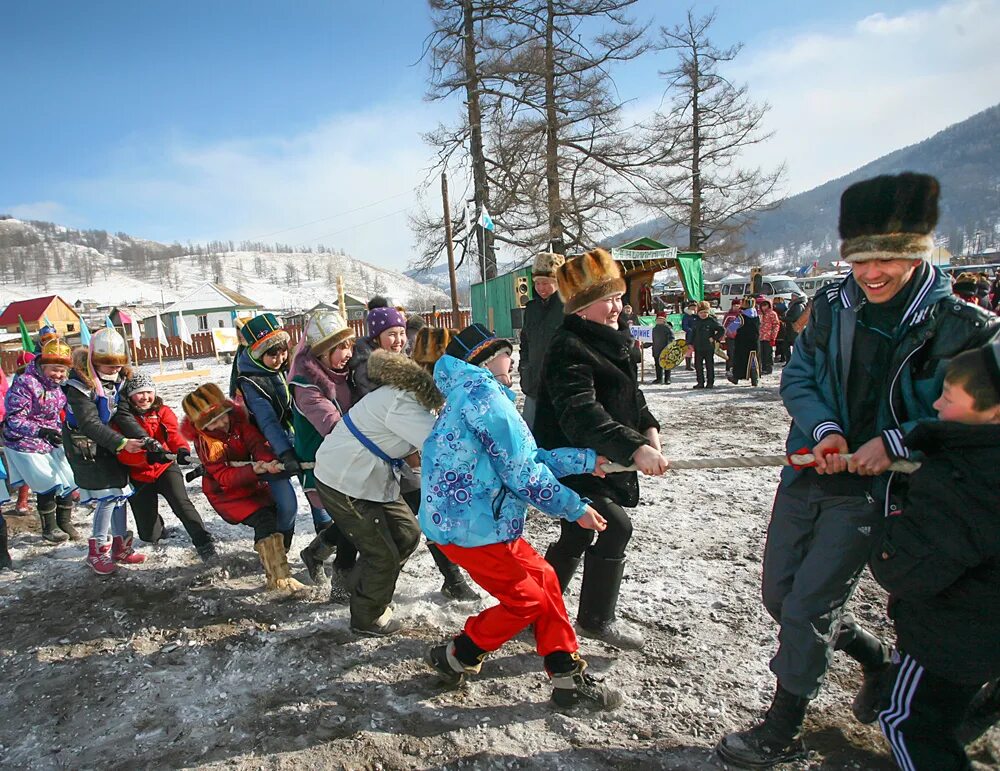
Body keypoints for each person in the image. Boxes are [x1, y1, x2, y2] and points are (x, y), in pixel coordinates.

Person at [717, 172, 1000, 769]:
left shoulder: (964, 329)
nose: (871, 273)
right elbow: (797, 377)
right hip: (809, 476)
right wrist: (827, 431)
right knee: (780, 596)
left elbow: (975, 423)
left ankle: (783, 724)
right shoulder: (831, 305)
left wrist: (894, 443)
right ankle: (875, 660)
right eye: (860, 259)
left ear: (918, 254)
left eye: (889, 259)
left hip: (880, 495)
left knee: (806, 608)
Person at [421, 323, 623, 711]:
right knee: (525, 600)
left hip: (482, 521)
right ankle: (457, 653)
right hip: (468, 527)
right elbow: (522, 474)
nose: (511, 358)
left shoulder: (476, 396)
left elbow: (525, 460)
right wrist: (575, 508)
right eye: (503, 352)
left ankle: (566, 675)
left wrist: (584, 460)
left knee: (544, 579)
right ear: (482, 359)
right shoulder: (485, 399)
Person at [870, 343, 1000, 771]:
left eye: (948, 397)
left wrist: (884, 520)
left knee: (907, 720)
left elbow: (907, 571)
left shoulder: (962, 480)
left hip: (952, 637)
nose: (936, 404)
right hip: (980, 635)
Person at [534, 248, 667, 650]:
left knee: (577, 534)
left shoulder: (616, 341)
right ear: (581, 308)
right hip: (575, 460)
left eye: (618, 296)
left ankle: (533, 612)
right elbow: (581, 415)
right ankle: (595, 619)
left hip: (608, 457)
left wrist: (649, 431)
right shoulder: (567, 347)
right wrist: (634, 448)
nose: (617, 306)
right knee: (613, 527)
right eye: (608, 299)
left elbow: (632, 397)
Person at [312, 344, 443, 635]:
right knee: (381, 554)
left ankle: (369, 590)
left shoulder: (410, 396)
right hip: (345, 481)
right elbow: (442, 445)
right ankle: (366, 616)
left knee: (407, 534)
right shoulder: (404, 403)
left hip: (372, 478)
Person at [181, 383, 307, 596]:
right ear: (202, 427)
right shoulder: (207, 444)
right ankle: (279, 580)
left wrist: (267, 460)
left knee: (280, 514)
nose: (222, 423)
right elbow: (223, 476)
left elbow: (257, 444)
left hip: (253, 485)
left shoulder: (240, 425)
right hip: (228, 495)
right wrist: (253, 471)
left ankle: (278, 556)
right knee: (264, 521)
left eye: (223, 416)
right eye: (213, 422)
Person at [63, 328, 149, 576]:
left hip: (108, 442)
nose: (113, 369)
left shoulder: (118, 381)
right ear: (93, 361)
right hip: (85, 447)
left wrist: (143, 437)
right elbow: (89, 423)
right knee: (107, 496)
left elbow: (121, 413)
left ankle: (120, 545)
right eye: (107, 364)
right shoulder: (79, 385)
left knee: (120, 492)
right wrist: (121, 443)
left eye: (118, 364)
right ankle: (98, 548)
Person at [289, 311, 359, 592]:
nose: (348, 354)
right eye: (340, 348)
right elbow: (334, 428)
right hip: (322, 466)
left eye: (350, 346)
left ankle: (315, 553)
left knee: (352, 519)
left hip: (351, 459)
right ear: (321, 352)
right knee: (353, 521)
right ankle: (342, 585)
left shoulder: (346, 375)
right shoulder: (307, 386)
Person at [115, 372, 216, 562]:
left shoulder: (162, 411)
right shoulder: (121, 419)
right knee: (149, 536)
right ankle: (157, 528)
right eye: (139, 393)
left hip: (165, 467)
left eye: (148, 392)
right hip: (139, 473)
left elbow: (173, 433)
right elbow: (122, 453)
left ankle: (203, 541)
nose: (145, 397)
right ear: (129, 396)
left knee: (181, 503)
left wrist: (182, 450)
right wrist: (146, 458)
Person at [232, 313, 306, 539]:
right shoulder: (251, 382)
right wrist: (284, 452)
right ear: (257, 354)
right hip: (267, 448)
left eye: (283, 350)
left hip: (294, 438)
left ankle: (321, 549)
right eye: (272, 354)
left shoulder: (284, 370)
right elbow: (268, 422)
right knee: (288, 505)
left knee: (320, 499)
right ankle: (279, 548)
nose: (280, 357)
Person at [2, 339, 79, 543]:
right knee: (47, 480)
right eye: (54, 370)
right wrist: (40, 431)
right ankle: (50, 527)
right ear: (43, 366)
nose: (59, 375)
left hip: (51, 437)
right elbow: (14, 418)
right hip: (24, 440)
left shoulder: (57, 387)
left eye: (62, 371)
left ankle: (65, 521)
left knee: (68, 476)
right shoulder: (26, 383)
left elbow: (59, 412)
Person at [519, 252, 565, 429]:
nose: (540, 288)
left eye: (545, 283)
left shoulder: (568, 308)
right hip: (533, 383)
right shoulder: (531, 309)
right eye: (537, 283)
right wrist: (525, 368)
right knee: (530, 432)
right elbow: (525, 343)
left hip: (559, 385)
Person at [351, 306, 407, 397]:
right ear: (376, 339)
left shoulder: (400, 358)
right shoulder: (369, 369)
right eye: (392, 334)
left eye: (402, 333)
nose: (398, 340)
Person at [689, 301, 725, 389]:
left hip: (709, 347)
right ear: (698, 313)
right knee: (698, 366)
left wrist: (715, 338)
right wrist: (690, 343)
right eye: (701, 313)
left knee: (709, 365)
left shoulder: (712, 321)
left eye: (705, 312)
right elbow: (692, 333)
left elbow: (722, 330)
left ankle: (710, 382)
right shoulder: (696, 321)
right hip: (698, 347)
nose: (703, 314)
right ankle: (700, 382)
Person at [726, 297, 761, 385]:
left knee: (740, 359)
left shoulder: (741, 317)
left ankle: (736, 377)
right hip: (754, 341)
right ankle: (755, 378)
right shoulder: (757, 316)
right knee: (753, 359)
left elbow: (731, 328)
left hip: (743, 342)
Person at [758, 298, 780, 375]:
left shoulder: (772, 314)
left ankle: (768, 368)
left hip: (768, 337)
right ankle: (762, 367)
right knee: (761, 353)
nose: (764, 307)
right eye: (762, 305)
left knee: (768, 353)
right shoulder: (759, 314)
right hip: (760, 337)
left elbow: (776, 325)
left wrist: (773, 337)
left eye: (766, 305)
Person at [651, 311, 674, 385]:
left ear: (664, 320)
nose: (659, 321)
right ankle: (659, 378)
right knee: (657, 365)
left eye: (661, 319)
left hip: (665, 349)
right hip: (656, 349)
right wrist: (646, 344)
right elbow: (652, 339)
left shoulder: (668, 328)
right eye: (658, 320)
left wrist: (668, 346)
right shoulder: (654, 329)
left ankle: (667, 379)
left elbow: (671, 338)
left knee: (667, 364)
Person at [681, 301, 698, 371]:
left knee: (698, 350)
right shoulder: (686, 316)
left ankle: (697, 364)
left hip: (698, 336)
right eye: (692, 306)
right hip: (690, 335)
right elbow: (684, 326)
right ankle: (688, 365)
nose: (693, 308)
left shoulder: (698, 315)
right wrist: (690, 330)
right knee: (689, 349)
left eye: (694, 306)